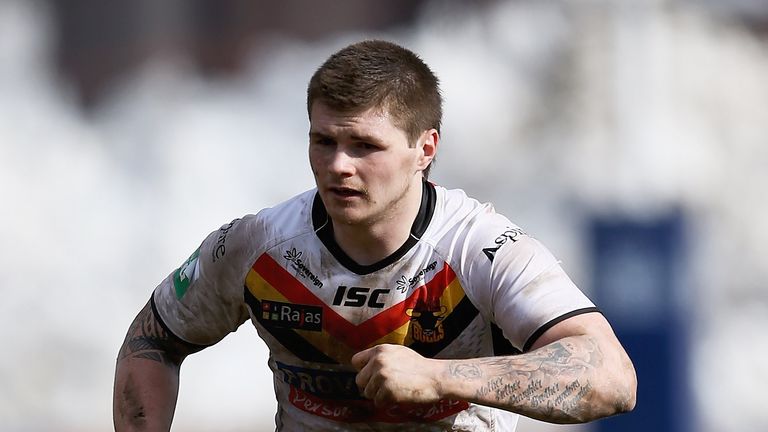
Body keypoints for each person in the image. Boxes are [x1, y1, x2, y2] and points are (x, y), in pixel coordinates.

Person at [113, 39, 636, 431]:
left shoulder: (483, 250)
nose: (338, 166)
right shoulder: (257, 245)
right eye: (323, 141)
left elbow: (612, 378)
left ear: (425, 149)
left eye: (365, 145)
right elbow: (151, 340)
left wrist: (439, 378)